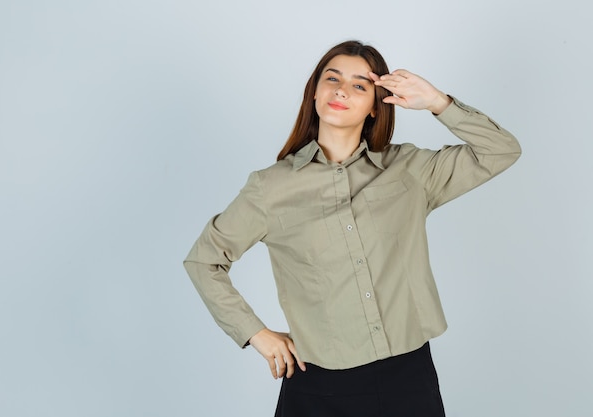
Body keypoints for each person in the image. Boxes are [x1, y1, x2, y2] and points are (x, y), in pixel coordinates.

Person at [184, 40, 521, 416]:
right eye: (332, 78)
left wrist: (437, 102)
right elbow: (204, 261)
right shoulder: (270, 188)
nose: (342, 90)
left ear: (377, 105)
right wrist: (254, 333)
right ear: (315, 91)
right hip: (318, 387)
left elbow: (501, 150)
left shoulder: (410, 170)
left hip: (408, 379)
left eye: (360, 85)